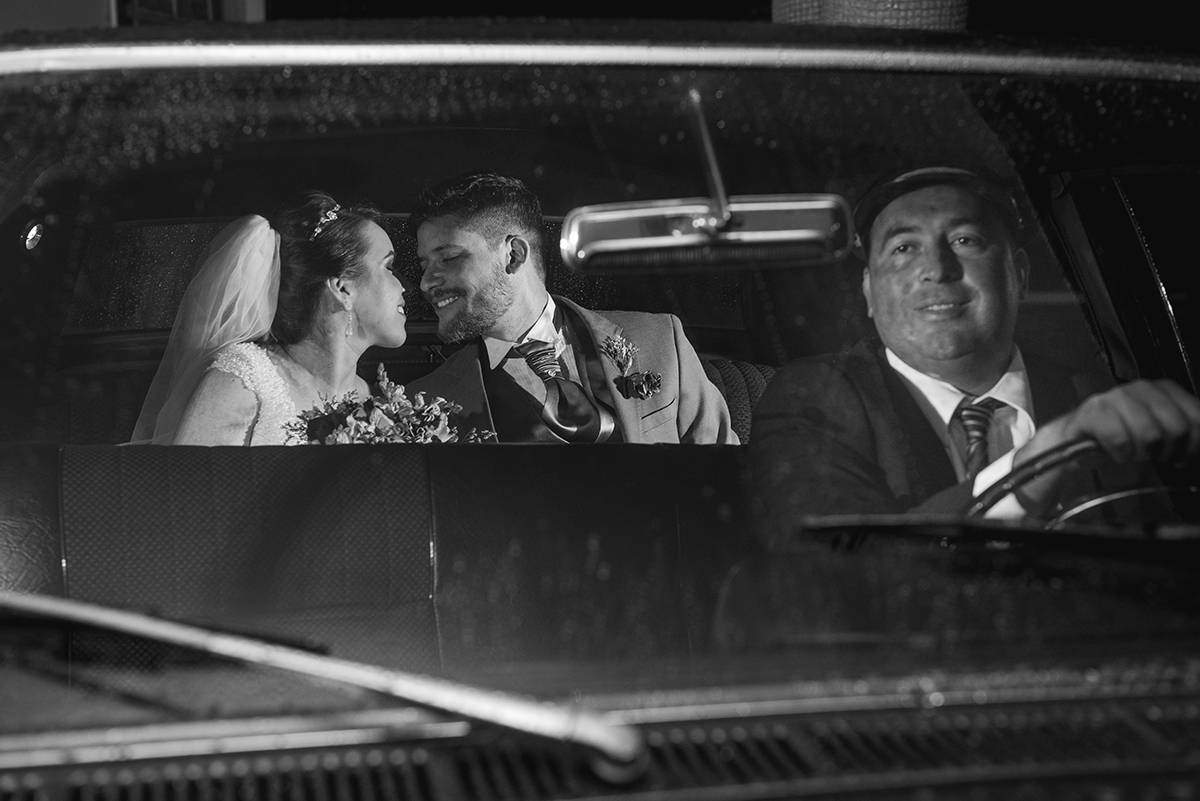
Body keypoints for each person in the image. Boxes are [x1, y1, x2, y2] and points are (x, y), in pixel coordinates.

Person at [749, 166, 1200, 542]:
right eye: (904, 249)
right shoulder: (811, 398)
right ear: (869, 290)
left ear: (1018, 275)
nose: (938, 270)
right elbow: (828, 563)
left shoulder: (1101, 397)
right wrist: (1039, 463)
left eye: (966, 241)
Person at [405, 171, 738, 445]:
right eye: (424, 264)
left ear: (514, 256)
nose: (426, 282)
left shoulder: (660, 339)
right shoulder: (427, 402)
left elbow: (727, 469)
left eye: (449, 257)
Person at [130, 191, 408, 445]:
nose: (403, 287)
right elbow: (188, 495)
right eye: (389, 267)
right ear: (342, 288)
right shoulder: (243, 380)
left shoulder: (376, 400)